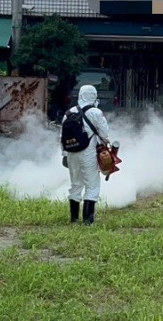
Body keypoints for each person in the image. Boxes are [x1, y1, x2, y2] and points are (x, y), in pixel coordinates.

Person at [62, 84, 110, 225]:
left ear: (80, 95)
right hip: (87, 153)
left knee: (75, 184)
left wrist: (64, 154)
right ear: (94, 96)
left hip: (71, 153)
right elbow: (105, 134)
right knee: (92, 185)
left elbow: (61, 137)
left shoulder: (69, 112)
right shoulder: (95, 112)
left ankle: (74, 219)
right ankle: (88, 220)